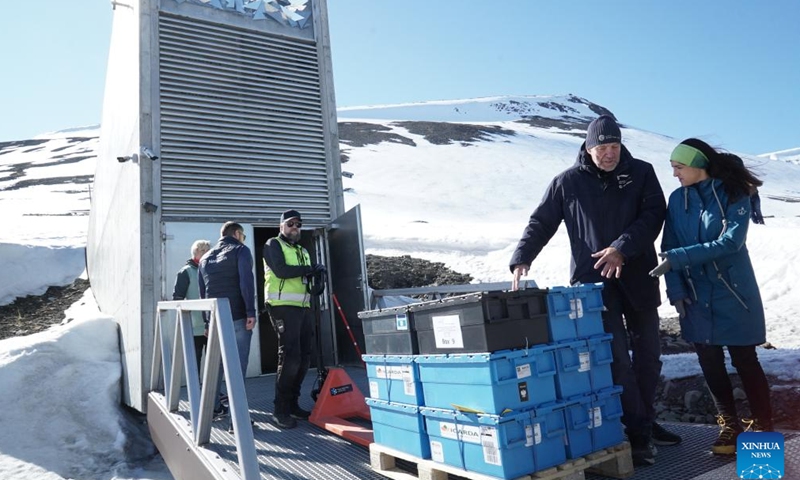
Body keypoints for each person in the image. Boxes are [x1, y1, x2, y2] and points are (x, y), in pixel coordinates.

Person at [509, 115, 681, 466]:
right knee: (616, 358)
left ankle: (645, 421)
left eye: (614, 146)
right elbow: (542, 221)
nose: (609, 154)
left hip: (638, 276)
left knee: (648, 355)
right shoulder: (567, 182)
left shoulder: (642, 172)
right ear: (588, 148)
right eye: (602, 147)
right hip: (594, 284)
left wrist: (622, 247)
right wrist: (522, 258)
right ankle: (637, 432)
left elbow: (653, 215)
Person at [649, 138, 772, 455]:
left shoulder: (734, 193)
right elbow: (669, 247)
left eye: (679, 167)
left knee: (745, 360)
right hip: (695, 296)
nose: (675, 174)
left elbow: (731, 243)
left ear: (697, 166)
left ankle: (762, 427)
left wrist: (678, 259)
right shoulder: (677, 200)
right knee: (710, 362)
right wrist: (675, 290)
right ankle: (729, 426)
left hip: (734, 292)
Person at [263, 209, 326, 429]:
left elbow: (305, 279)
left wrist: (316, 277)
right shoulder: (273, 245)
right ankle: (280, 410)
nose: (295, 228)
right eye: (290, 224)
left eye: (298, 225)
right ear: (281, 226)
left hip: (302, 307)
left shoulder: (302, 250)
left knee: (304, 357)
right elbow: (281, 271)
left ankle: (293, 404)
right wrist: (310, 269)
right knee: (290, 356)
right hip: (281, 307)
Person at [198, 222, 257, 427]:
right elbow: (246, 283)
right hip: (237, 317)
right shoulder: (241, 250)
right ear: (238, 233)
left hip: (215, 319)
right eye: (243, 236)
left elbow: (202, 293)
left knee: (216, 367)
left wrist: (207, 321)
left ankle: (212, 410)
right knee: (237, 370)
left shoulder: (205, 257)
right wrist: (251, 311)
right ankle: (237, 421)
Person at [172, 239, 211, 375]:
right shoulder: (185, 272)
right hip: (195, 328)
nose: (209, 254)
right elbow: (177, 299)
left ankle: (213, 391)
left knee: (213, 362)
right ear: (197, 253)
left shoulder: (210, 270)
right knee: (195, 362)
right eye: (206, 251)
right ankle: (195, 393)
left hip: (211, 325)